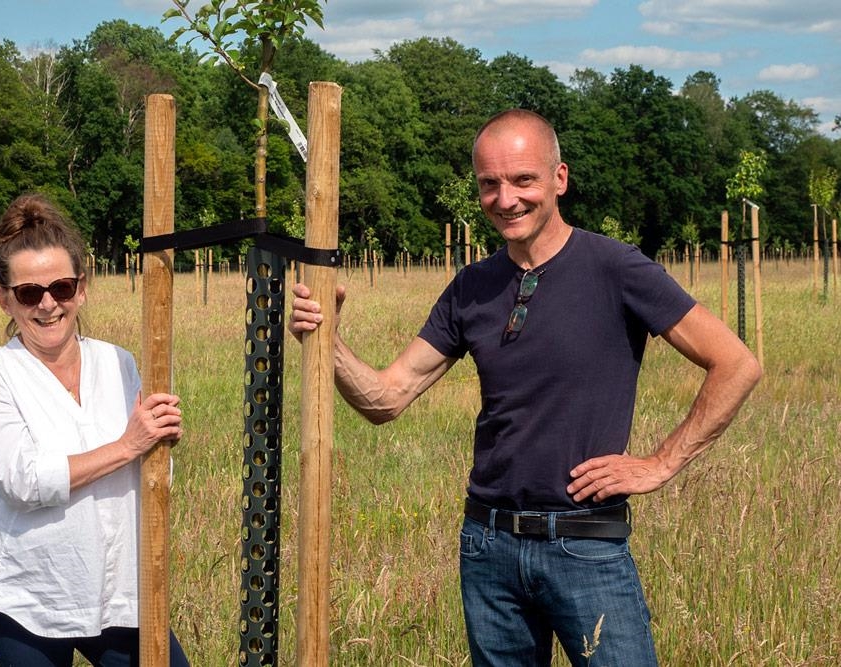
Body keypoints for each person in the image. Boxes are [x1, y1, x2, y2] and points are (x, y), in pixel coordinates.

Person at [288, 109, 762, 666]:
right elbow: (387, 397)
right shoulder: (473, 286)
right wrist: (328, 342)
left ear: (559, 179)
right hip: (488, 547)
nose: (505, 199)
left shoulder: (616, 268)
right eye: (490, 184)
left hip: (585, 544)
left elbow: (736, 364)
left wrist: (657, 464)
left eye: (523, 180)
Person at [0, 193, 191, 666]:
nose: (48, 305)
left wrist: (161, 444)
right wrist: (130, 443)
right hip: (32, 596)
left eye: (61, 288)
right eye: (29, 292)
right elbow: (24, 480)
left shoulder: (120, 362)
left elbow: (148, 475)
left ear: (81, 288)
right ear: (4, 298)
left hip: (120, 590)